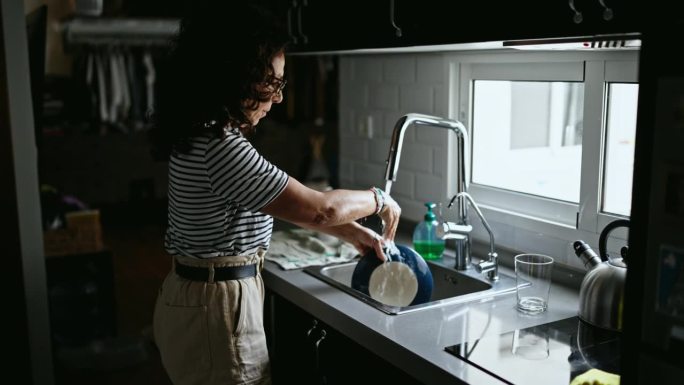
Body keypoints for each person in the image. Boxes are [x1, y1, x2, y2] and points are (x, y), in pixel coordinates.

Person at [149, 2, 401, 384]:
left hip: (195, 300)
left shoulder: (197, 133)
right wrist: (379, 199)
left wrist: (353, 232)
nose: (279, 97)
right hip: (216, 311)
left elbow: (284, 205)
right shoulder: (221, 147)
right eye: (273, 82)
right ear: (237, 76)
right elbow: (320, 209)